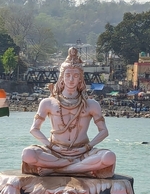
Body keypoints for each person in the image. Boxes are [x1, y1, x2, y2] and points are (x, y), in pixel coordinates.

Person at [21, 47, 116, 178]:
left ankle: (60, 170)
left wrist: (86, 148)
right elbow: (34, 129)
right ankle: (77, 168)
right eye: (68, 75)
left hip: (82, 152)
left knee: (109, 157)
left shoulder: (91, 104)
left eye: (75, 75)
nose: (71, 79)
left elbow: (104, 131)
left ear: (80, 79)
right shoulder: (48, 102)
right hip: (55, 150)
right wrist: (52, 147)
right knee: (28, 154)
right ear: (62, 78)